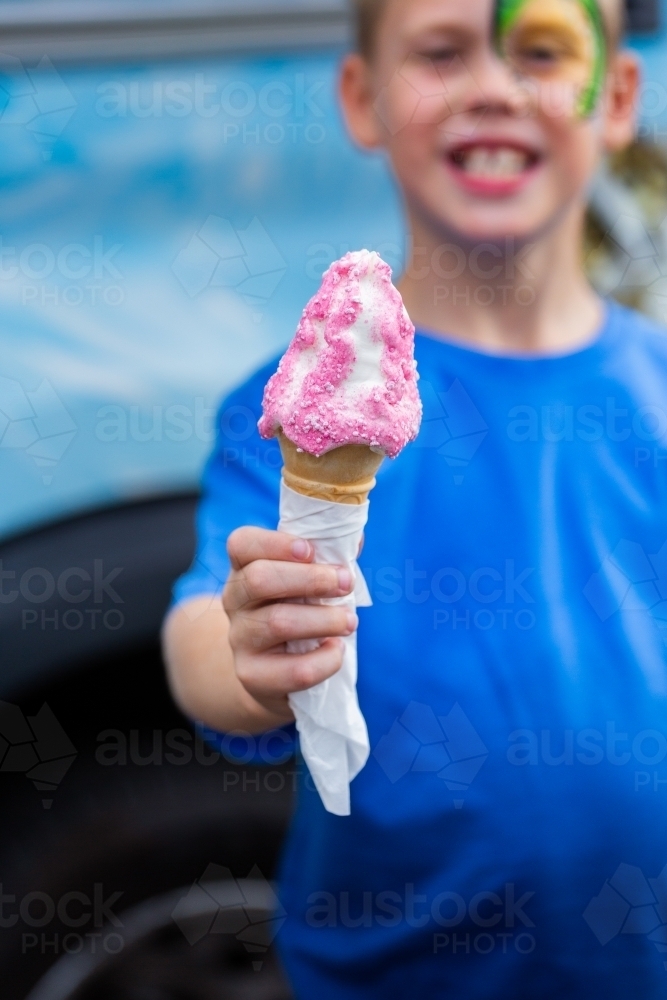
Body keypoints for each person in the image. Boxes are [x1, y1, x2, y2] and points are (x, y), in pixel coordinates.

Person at [163, 0, 667, 994]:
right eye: (440, 51)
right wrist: (254, 651)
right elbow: (198, 640)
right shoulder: (286, 411)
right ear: (364, 98)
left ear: (613, 98)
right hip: (385, 970)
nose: (491, 85)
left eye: (540, 49)